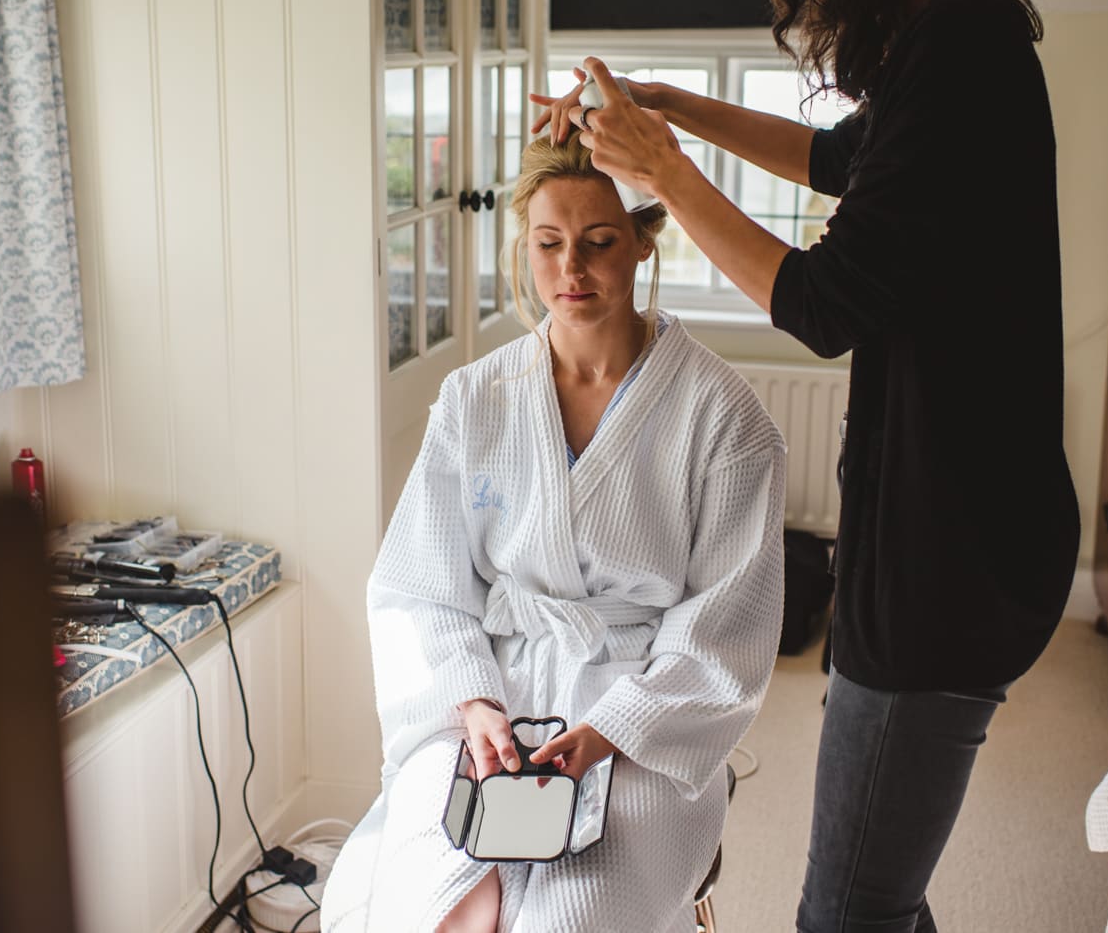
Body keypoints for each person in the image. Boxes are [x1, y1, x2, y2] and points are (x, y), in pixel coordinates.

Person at [533, 0, 1081, 930]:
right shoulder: (949, 39)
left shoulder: (966, 45)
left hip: (951, 550)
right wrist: (671, 107)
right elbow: (840, 160)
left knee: (847, 912)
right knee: (877, 893)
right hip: (938, 527)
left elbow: (825, 305)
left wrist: (663, 171)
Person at [320, 135, 786, 932]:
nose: (572, 269)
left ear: (643, 240)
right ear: (524, 247)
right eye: (549, 243)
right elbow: (417, 586)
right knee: (439, 911)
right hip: (492, 694)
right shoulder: (476, 397)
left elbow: (725, 633)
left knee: (566, 921)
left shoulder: (725, 418)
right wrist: (473, 703)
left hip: (638, 713)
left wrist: (611, 730)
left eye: (599, 242)